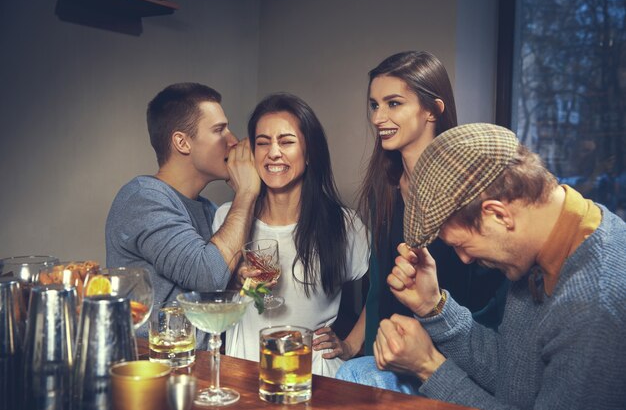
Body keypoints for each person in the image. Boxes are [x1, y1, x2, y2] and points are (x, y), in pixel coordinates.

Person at [341, 123, 626, 409]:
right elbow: (515, 376)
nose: (464, 259)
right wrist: (433, 306)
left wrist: (428, 366)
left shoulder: (593, 304)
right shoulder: (545, 239)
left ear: (498, 215)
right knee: (356, 374)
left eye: (460, 245)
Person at [335, 51, 506, 362]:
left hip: (457, 362)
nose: (377, 118)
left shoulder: (472, 191)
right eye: (374, 105)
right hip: (390, 357)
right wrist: (350, 346)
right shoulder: (383, 190)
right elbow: (378, 289)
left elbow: (495, 302)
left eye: (393, 103)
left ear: (432, 110)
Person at [211, 93, 369, 377]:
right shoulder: (228, 218)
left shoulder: (344, 224)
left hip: (315, 378)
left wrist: (351, 345)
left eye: (286, 142)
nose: (273, 153)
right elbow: (210, 304)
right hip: (243, 373)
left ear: (309, 153)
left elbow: (384, 289)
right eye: (262, 143)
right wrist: (234, 282)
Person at [105, 83, 261, 310]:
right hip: (154, 346)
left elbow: (214, 292)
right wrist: (246, 192)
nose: (233, 141)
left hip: (202, 347)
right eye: (219, 130)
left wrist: (236, 279)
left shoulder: (209, 210)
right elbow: (207, 276)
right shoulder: (142, 198)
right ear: (182, 142)